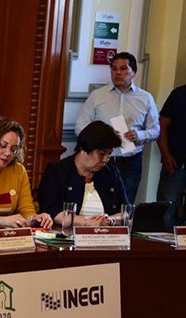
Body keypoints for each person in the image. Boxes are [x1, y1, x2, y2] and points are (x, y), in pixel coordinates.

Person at [74, 52, 160, 203]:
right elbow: (80, 126)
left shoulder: (145, 98)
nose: (118, 72)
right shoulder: (97, 96)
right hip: (99, 160)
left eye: (123, 68)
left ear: (133, 72)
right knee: (95, 202)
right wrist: (97, 141)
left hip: (130, 162)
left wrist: (139, 135)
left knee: (125, 205)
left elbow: (155, 130)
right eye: (114, 69)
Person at [38, 121, 128, 226]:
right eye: (101, 154)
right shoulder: (57, 172)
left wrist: (111, 220)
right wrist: (87, 222)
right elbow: (52, 212)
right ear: (84, 149)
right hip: (68, 232)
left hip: (106, 233)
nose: (105, 160)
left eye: (109, 154)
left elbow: (126, 211)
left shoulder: (110, 173)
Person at [156, 84, 186, 228]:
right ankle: (162, 241)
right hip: (176, 163)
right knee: (165, 210)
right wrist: (166, 155)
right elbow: (161, 125)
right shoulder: (179, 94)